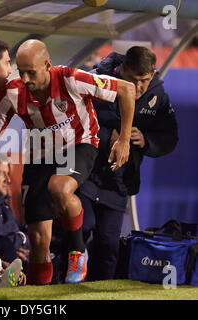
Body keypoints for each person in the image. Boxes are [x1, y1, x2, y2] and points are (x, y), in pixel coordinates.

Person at [0, 39, 136, 285]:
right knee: (37, 239)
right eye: (20, 71)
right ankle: (38, 294)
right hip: (38, 155)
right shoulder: (14, 91)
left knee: (60, 187)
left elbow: (127, 89)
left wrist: (125, 139)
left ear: (48, 65)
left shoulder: (72, 78)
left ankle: (77, 251)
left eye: (31, 72)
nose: (24, 79)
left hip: (79, 145)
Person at [79, 46, 178, 280]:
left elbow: (170, 138)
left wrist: (146, 141)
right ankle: (62, 287)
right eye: (133, 79)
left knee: (108, 244)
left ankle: (99, 294)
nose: (139, 86)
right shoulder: (96, 81)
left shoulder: (158, 97)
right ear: (122, 70)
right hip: (85, 173)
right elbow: (76, 122)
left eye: (144, 80)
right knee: (79, 230)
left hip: (118, 182)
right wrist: (107, 136)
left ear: (152, 74)